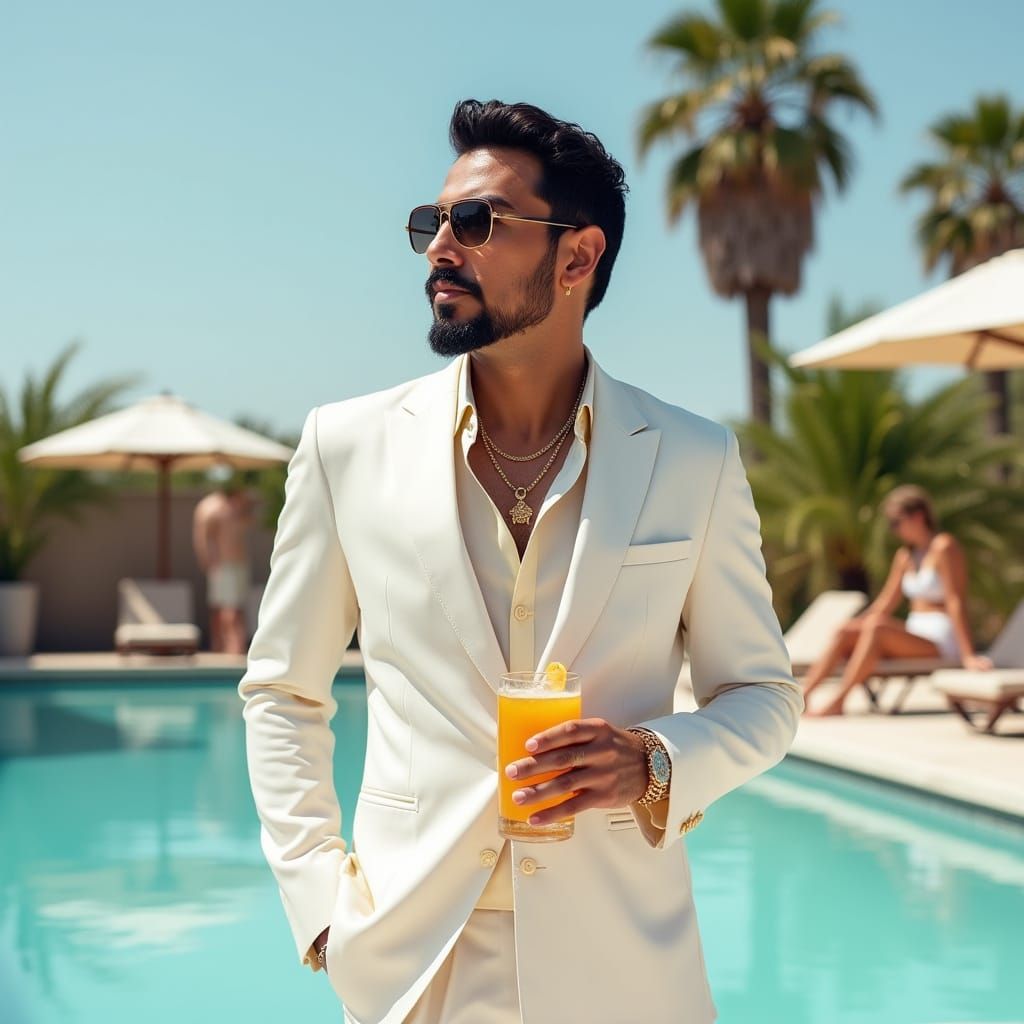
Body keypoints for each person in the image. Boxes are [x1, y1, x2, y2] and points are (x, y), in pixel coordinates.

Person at [238, 99, 801, 1024]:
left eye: (475, 224)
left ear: (577, 258)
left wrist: (655, 759)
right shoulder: (345, 447)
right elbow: (283, 692)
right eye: (433, 224)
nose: (438, 250)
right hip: (415, 968)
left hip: (625, 969)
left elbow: (765, 696)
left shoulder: (694, 459)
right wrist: (319, 912)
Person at [802, 484, 992, 717]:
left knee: (877, 627)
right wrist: (855, 628)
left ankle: (839, 701)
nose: (894, 530)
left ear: (919, 516)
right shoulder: (905, 556)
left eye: (896, 521)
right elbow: (885, 603)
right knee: (846, 630)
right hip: (912, 635)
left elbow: (955, 600)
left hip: (941, 640)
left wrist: (968, 655)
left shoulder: (944, 547)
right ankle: (801, 696)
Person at [192, 475, 253, 654]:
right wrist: (208, 561)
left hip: (237, 564)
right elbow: (203, 537)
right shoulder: (213, 508)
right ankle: (233, 647)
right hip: (223, 565)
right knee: (228, 608)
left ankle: (224, 646)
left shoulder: (236, 509)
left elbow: (248, 522)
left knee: (230, 607)